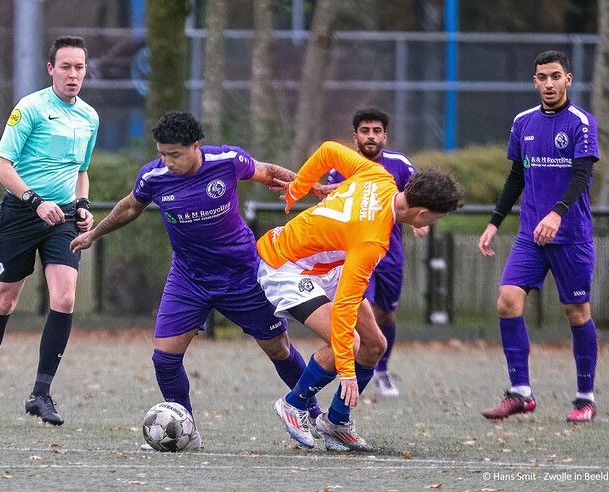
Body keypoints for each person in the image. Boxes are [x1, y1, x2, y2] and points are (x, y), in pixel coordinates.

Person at [70, 111, 328, 449]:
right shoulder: (154, 176)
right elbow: (130, 207)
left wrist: (315, 188)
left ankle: (311, 413)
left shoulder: (227, 160)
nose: (168, 161)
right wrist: (94, 235)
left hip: (242, 275)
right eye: (162, 153)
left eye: (175, 154)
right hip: (189, 278)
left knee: (278, 348)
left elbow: (269, 173)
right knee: (164, 358)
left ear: (196, 146)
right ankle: (186, 429)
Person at [257, 141, 462, 451]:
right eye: (435, 219)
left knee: (375, 344)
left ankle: (336, 422)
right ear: (421, 214)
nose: (431, 225)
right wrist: (347, 374)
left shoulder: (379, 176)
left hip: (325, 265)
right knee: (348, 346)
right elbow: (345, 308)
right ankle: (292, 403)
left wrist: (298, 188)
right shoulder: (373, 241)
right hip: (285, 266)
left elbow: (327, 150)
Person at [0, 36, 99, 427]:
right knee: (5, 301)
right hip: (22, 214)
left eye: (79, 67)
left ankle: (40, 393)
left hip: (63, 219)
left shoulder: (89, 117)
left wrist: (84, 206)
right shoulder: (30, 108)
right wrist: (35, 200)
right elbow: (0, 165)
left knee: (65, 297)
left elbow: (81, 171)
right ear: (51, 69)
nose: (73, 74)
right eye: (66, 67)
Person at [478, 50, 599, 423]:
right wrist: (495, 222)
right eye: (542, 77)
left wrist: (557, 213)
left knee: (576, 312)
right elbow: (517, 176)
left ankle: (584, 398)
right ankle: (521, 393)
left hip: (572, 235)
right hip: (531, 235)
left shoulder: (582, 122)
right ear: (534, 82)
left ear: (569, 79)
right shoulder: (522, 122)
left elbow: (581, 177)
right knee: (507, 301)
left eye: (555, 76)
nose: (549, 83)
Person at [326, 109, 428, 397]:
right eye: (365, 130)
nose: (371, 136)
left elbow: (421, 195)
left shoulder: (399, 165)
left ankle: (382, 370)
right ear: (355, 136)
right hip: (358, 254)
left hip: (390, 254)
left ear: (385, 135)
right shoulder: (341, 167)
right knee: (363, 310)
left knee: (385, 315)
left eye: (376, 131)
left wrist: (421, 221)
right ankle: (354, 372)